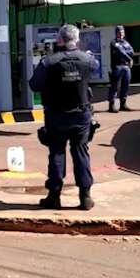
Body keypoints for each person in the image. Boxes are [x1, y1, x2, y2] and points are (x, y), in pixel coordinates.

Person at [29, 24, 98, 210]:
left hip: (56, 115)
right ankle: (85, 196)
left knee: (57, 153)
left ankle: (54, 196)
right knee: (81, 152)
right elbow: (95, 69)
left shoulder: (48, 62)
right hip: (81, 114)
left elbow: (34, 85)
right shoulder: (88, 59)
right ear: (77, 40)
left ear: (59, 40)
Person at [108, 25, 135, 113]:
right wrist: (129, 58)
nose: (121, 34)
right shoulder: (113, 42)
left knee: (125, 85)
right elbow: (119, 52)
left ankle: (123, 104)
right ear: (116, 33)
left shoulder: (126, 43)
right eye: (119, 32)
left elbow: (132, 51)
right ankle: (111, 105)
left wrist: (124, 51)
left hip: (126, 66)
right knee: (115, 86)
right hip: (117, 67)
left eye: (122, 32)